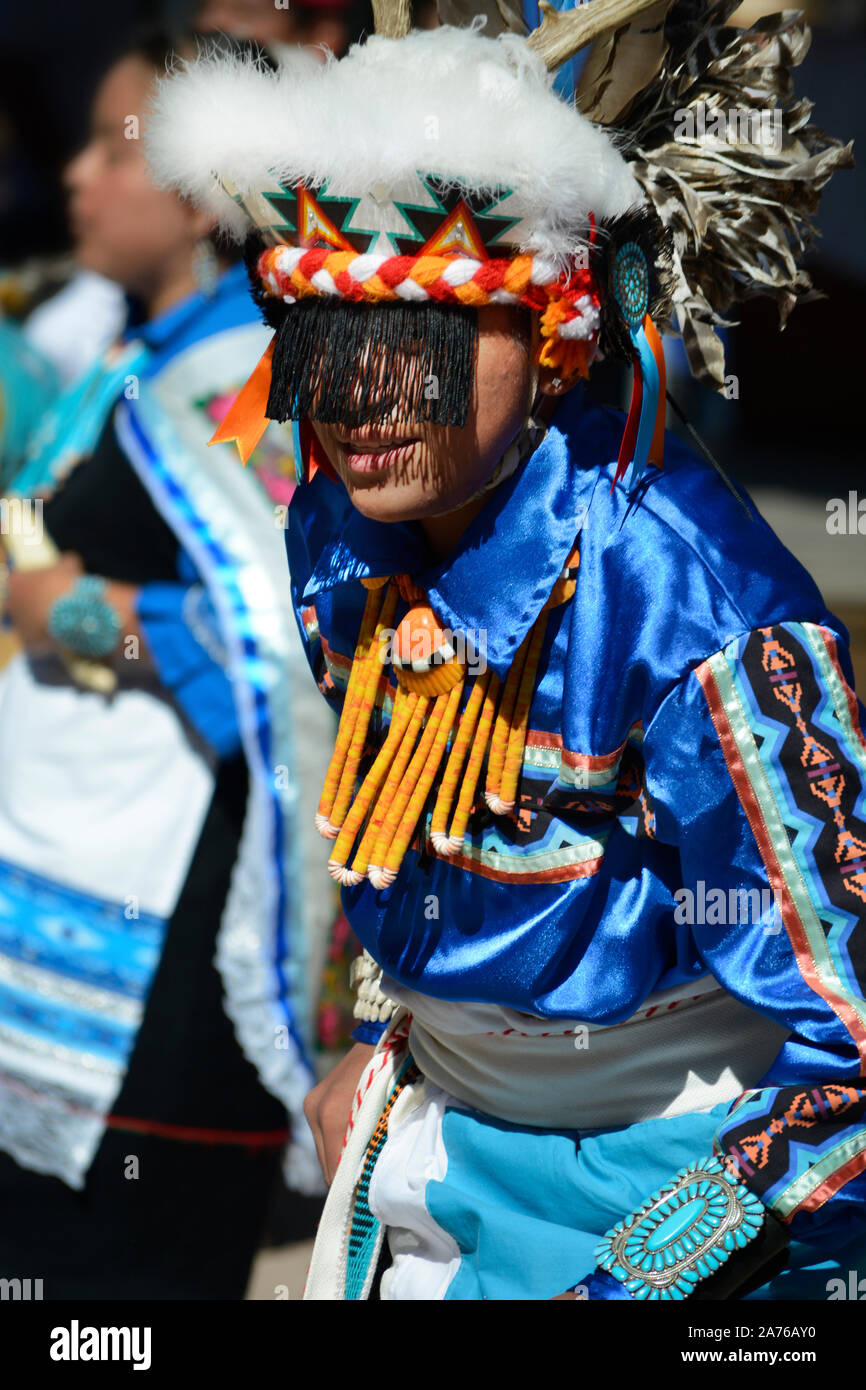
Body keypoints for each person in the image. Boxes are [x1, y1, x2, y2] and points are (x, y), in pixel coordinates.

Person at [148, 5, 864, 1301]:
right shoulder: (340, 527)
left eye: (419, 343)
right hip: (437, 1149)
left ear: (551, 343)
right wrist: (389, 1032)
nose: (362, 398)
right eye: (323, 343)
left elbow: (856, 1049)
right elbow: (414, 814)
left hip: (676, 1171)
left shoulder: (692, 606)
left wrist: (656, 1256)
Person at [0, 33, 333, 1299]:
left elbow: (279, 640)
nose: (78, 176)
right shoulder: (138, 363)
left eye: (116, 145)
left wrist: (69, 619)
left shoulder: (246, 384)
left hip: (168, 972)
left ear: (203, 188)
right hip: (66, 898)